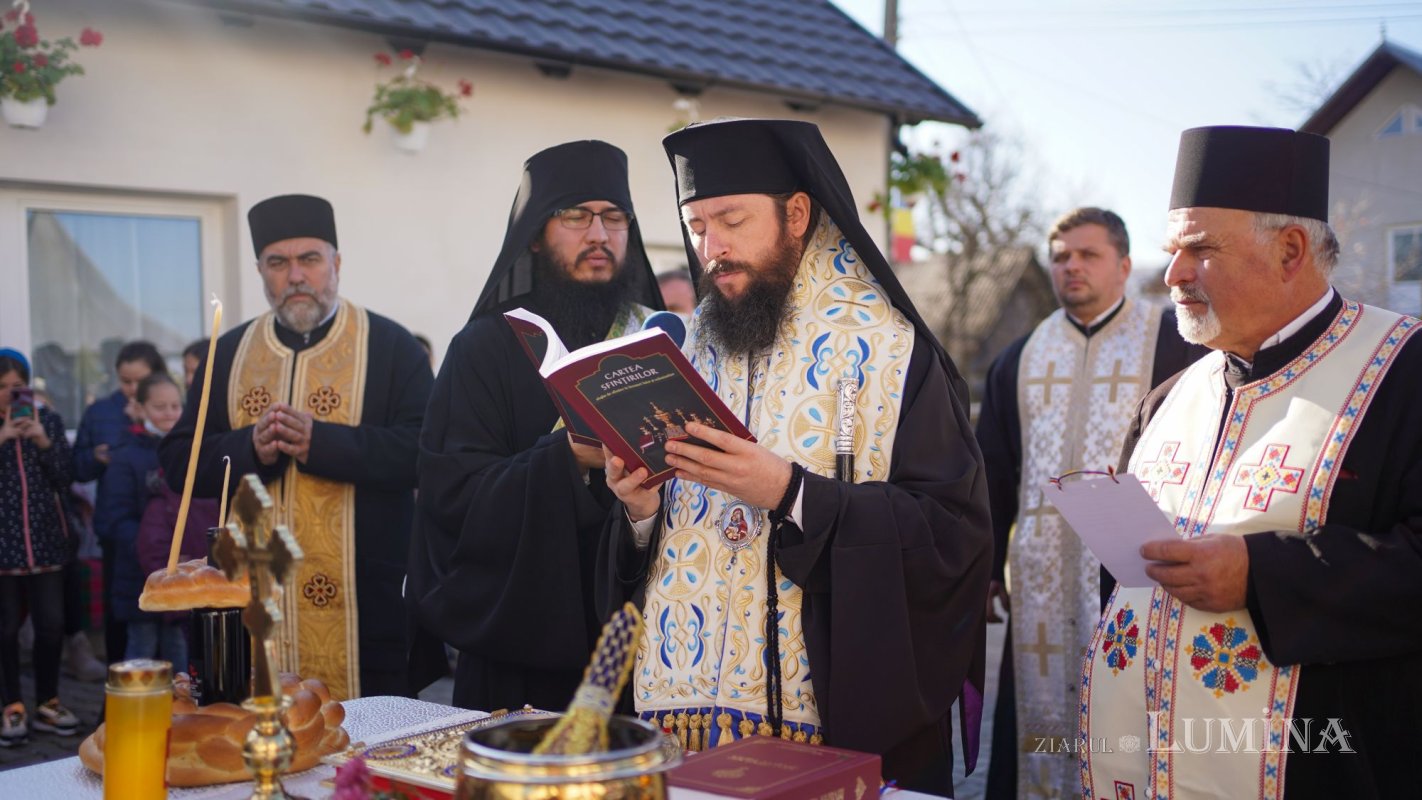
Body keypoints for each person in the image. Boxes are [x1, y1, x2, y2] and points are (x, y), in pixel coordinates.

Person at [598, 118, 992, 795]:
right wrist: (638, 512)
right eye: (696, 227)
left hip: (821, 725)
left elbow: (953, 536)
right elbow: (648, 555)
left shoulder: (894, 353)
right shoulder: (683, 351)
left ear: (798, 214)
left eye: (732, 221)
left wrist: (793, 494)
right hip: (675, 723)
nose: (712, 249)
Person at [1080, 126, 1422, 799]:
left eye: (1201, 250)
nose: (1174, 275)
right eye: (1172, 252)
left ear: (1290, 250)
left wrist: (1260, 574)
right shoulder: (1168, 400)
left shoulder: (1405, 371)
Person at [407, 140, 663, 712]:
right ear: (535, 234)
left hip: (646, 649)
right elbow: (451, 498)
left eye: (614, 217)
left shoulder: (658, 341)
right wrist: (566, 458)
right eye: (576, 216)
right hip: (519, 654)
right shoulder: (483, 349)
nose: (599, 234)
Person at [160, 194, 433, 700]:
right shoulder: (228, 353)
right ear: (261, 272)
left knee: (368, 738)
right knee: (248, 731)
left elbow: (428, 452)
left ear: (336, 264)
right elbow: (179, 461)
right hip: (249, 604)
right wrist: (251, 448)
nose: (296, 276)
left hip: (365, 605)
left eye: (310, 259)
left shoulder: (391, 346)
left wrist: (321, 443)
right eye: (278, 263)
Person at [974, 208, 1206, 798]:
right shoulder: (1019, 358)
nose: (1071, 266)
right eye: (1060, 257)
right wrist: (987, 566)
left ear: (1123, 265)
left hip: (1138, 573)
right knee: (1037, 720)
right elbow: (992, 471)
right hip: (1040, 578)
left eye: (1088, 254)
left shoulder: (1175, 345)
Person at [96, 373, 217, 670]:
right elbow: (115, 518)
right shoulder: (127, 455)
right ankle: (137, 700)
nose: (169, 414)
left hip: (181, 574)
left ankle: (181, 700)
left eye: (175, 406)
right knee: (142, 649)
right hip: (140, 576)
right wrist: (155, 556)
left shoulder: (190, 451)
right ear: (140, 408)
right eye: (160, 407)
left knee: (180, 649)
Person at [0, 349, 79, 746]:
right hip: (3, 547)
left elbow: (67, 476)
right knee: (5, 629)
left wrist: (44, 441)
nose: (9, 394)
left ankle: (48, 701)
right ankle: (10, 705)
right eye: (2, 387)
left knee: (51, 625)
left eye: (17, 386)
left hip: (46, 542)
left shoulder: (47, 420)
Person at [73, 339, 167, 664]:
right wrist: (94, 458)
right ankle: (119, 682)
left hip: (165, 532)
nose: (132, 389)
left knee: (167, 618)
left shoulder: (168, 407)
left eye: (139, 381)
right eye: (125, 381)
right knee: (122, 614)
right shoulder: (101, 412)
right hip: (119, 531)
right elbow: (76, 468)